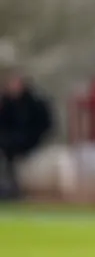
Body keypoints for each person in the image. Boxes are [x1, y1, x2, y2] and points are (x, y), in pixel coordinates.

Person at [0, 71, 52, 199]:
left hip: (28, 141)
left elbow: (44, 124)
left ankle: (13, 188)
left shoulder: (35, 104)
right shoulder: (6, 104)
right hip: (8, 142)